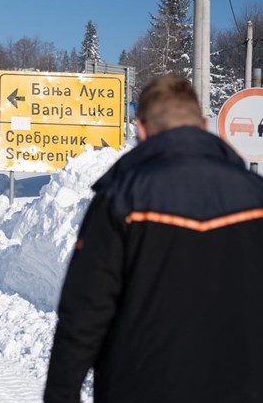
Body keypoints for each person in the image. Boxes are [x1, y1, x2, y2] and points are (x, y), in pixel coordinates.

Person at [44, 74, 263, 403]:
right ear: (203, 126)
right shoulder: (256, 195)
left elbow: (85, 312)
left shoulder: (121, 199)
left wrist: (62, 393)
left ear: (141, 129)